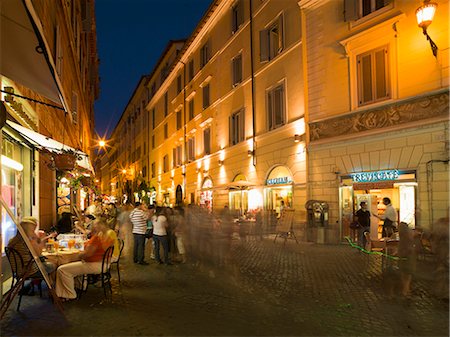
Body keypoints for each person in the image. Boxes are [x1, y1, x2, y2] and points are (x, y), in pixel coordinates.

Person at [55, 219, 113, 300]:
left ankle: (69, 294)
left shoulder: (96, 238)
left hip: (95, 264)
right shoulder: (105, 236)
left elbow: (87, 254)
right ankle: (80, 286)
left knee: (62, 270)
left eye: (94, 225)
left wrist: (77, 255)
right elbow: (87, 247)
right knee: (73, 263)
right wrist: (73, 247)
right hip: (104, 263)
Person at [8, 217, 57, 294]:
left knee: (46, 263)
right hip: (29, 271)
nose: (34, 232)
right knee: (53, 265)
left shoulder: (13, 241)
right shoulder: (28, 242)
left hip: (18, 270)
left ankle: (49, 288)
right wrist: (38, 239)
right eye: (33, 230)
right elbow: (39, 253)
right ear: (27, 231)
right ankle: (53, 291)